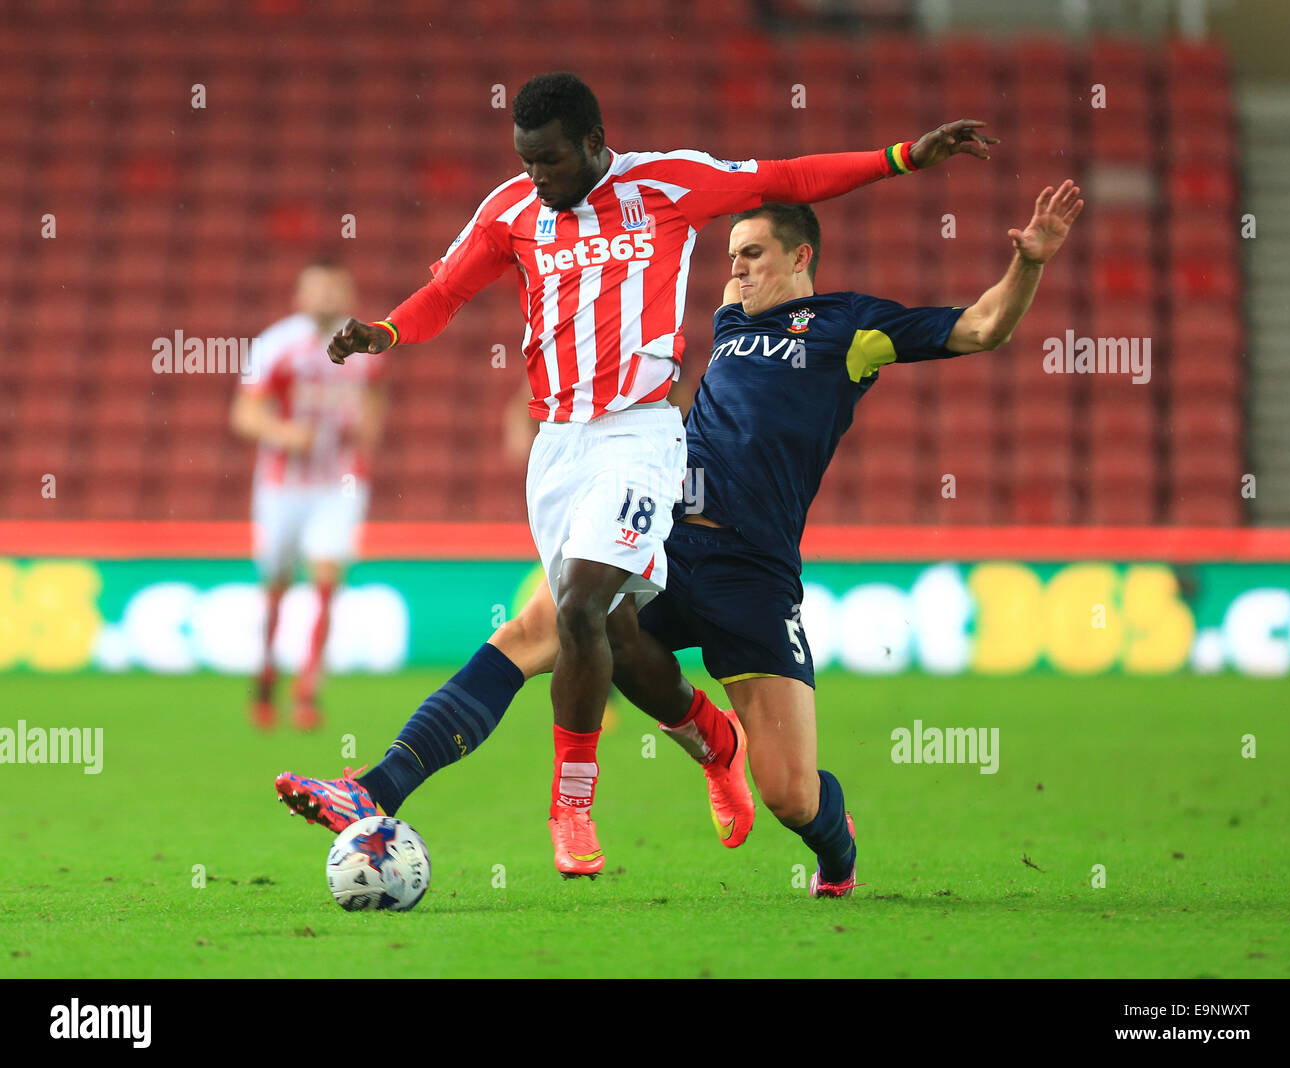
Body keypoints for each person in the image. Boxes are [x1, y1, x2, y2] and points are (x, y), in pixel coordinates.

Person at [277, 70, 998, 876]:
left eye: (550, 162)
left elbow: (783, 178)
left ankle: (572, 805)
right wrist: (385, 331)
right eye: (525, 162)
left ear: (592, 144)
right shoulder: (510, 212)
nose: (537, 179)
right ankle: (386, 786)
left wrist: (901, 157)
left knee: (582, 607)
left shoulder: (664, 185)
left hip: (640, 435)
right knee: (564, 631)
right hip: (558, 448)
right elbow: (445, 293)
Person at [231, 259, 386, 730]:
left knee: (325, 576)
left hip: (338, 483)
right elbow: (245, 415)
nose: (326, 298)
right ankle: (265, 672)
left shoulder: (366, 345)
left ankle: (307, 689)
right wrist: (284, 433)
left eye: (335, 290)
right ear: (300, 295)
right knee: (277, 583)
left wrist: (366, 443)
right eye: (317, 289)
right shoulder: (278, 344)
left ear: (349, 295)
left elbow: (374, 403)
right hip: (282, 485)